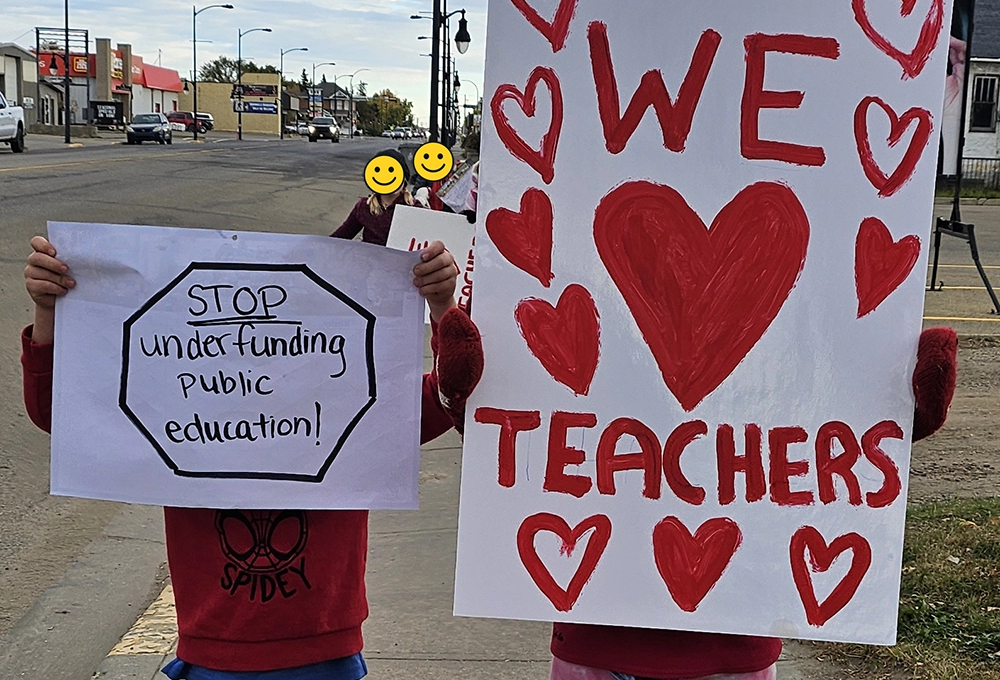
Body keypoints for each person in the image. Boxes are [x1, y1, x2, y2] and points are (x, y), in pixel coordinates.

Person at [21, 234, 484, 679]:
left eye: (286, 353)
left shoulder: (354, 404)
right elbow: (59, 414)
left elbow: (449, 393)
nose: (263, 374)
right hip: (214, 644)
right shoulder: (181, 407)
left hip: (324, 645)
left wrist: (444, 306)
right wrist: (49, 311)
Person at [546, 326, 960, 680]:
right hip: (603, 638)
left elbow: (832, 433)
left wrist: (890, 409)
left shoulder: (780, 344)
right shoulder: (601, 331)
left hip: (726, 641)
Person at [331, 148, 420, 246]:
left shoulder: (415, 208)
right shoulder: (364, 206)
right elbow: (341, 236)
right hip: (368, 259)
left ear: (404, 179)